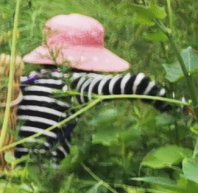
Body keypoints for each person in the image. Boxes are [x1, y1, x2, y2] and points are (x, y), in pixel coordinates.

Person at [16, 14, 178, 161]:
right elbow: (138, 83)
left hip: (6, 168)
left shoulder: (28, 80)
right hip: (39, 169)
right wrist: (181, 109)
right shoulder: (74, 82)